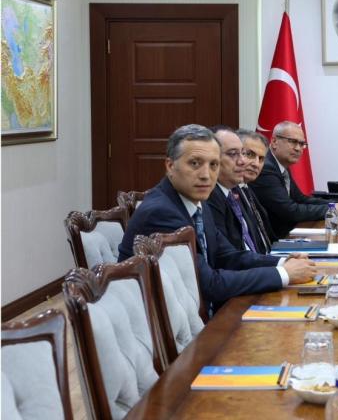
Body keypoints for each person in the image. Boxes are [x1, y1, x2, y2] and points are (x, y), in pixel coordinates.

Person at [117, 124, 317, 313]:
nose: (206, 175)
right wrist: (283, 274)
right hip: (161, 324)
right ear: (170, 165)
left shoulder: (197, 202)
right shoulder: (161, 212)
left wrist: (283, 262)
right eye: (195, 163)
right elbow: (209, 285)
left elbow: (228, 256)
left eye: (213, 165)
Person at [250, 121, 338, 239]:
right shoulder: (266, 167)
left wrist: (334, 205)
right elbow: (290, 211)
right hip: (275, 239)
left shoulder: (281, 164)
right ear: (274, 142)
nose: (298, 148)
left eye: (302, 144)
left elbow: (300, 199)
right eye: (292, 141)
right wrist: (332, 209)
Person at [206, 127, 271, 255]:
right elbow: (226, 257)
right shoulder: (209, 196)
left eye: (242, 153)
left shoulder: (234, 191)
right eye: (233, 154)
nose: (242, 161)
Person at [236, 128, 277, 248]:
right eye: (250, 154)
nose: (256, 164)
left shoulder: (247, 189)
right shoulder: (228, 194)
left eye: (261, 159)